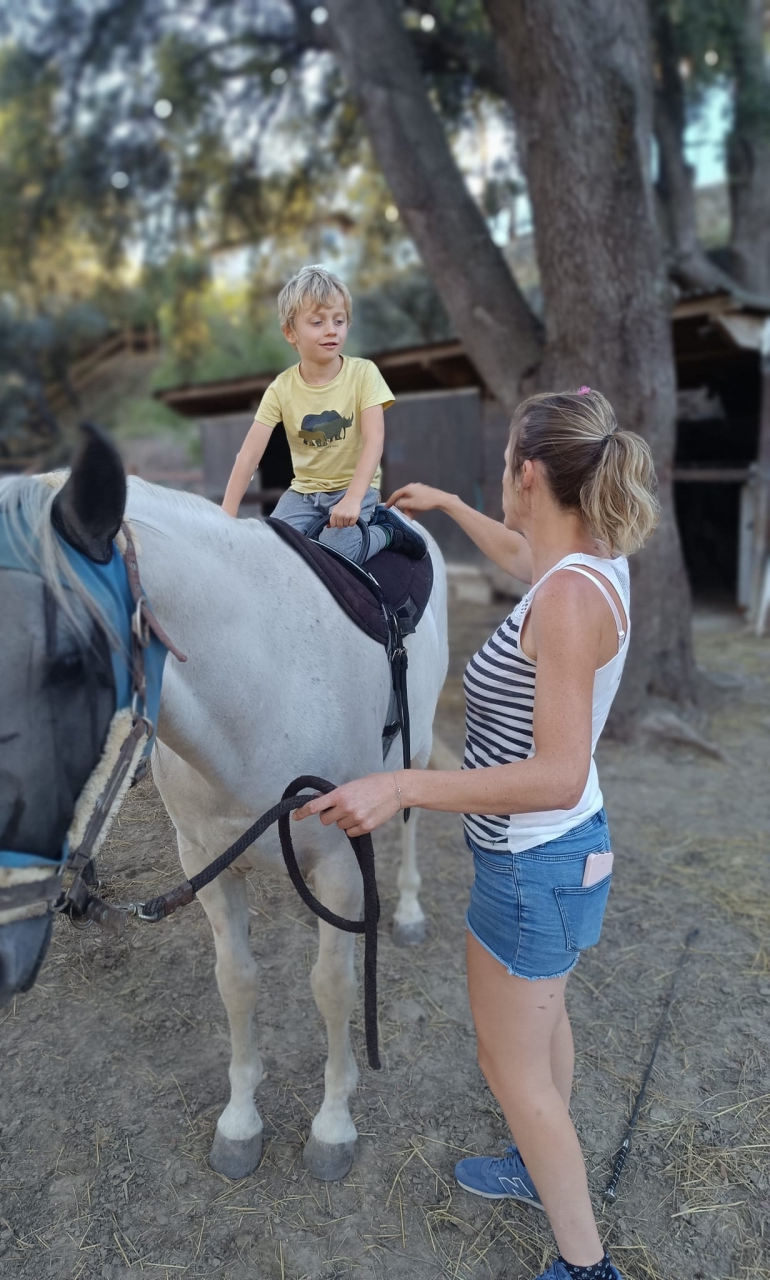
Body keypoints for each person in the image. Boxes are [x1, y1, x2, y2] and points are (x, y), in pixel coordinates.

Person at [295, 387, 660, 1280]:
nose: (500, 475)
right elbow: (522, 554)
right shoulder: (591, 562)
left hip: (534, 865)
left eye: (501, 464)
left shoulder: (567, 600)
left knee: (513, 1071)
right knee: (543, 1029)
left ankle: (586, 1267)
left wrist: (402, 785)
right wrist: (454, 506)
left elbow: (556, 772)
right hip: (564, 855)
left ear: (529, 474)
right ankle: (537, 1170)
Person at [221, 264, 426, 562]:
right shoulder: (281, 389)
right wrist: (225, 518)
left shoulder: (364, 374)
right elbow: (249, 456)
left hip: (353, 488)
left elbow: (374, 440)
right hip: (303, 494)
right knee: (270, 551)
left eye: (339, 321)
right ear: (290, 332)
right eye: (317, 322)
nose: (331, 330)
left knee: (336, 552)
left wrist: (353, 498)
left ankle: (387, 531)